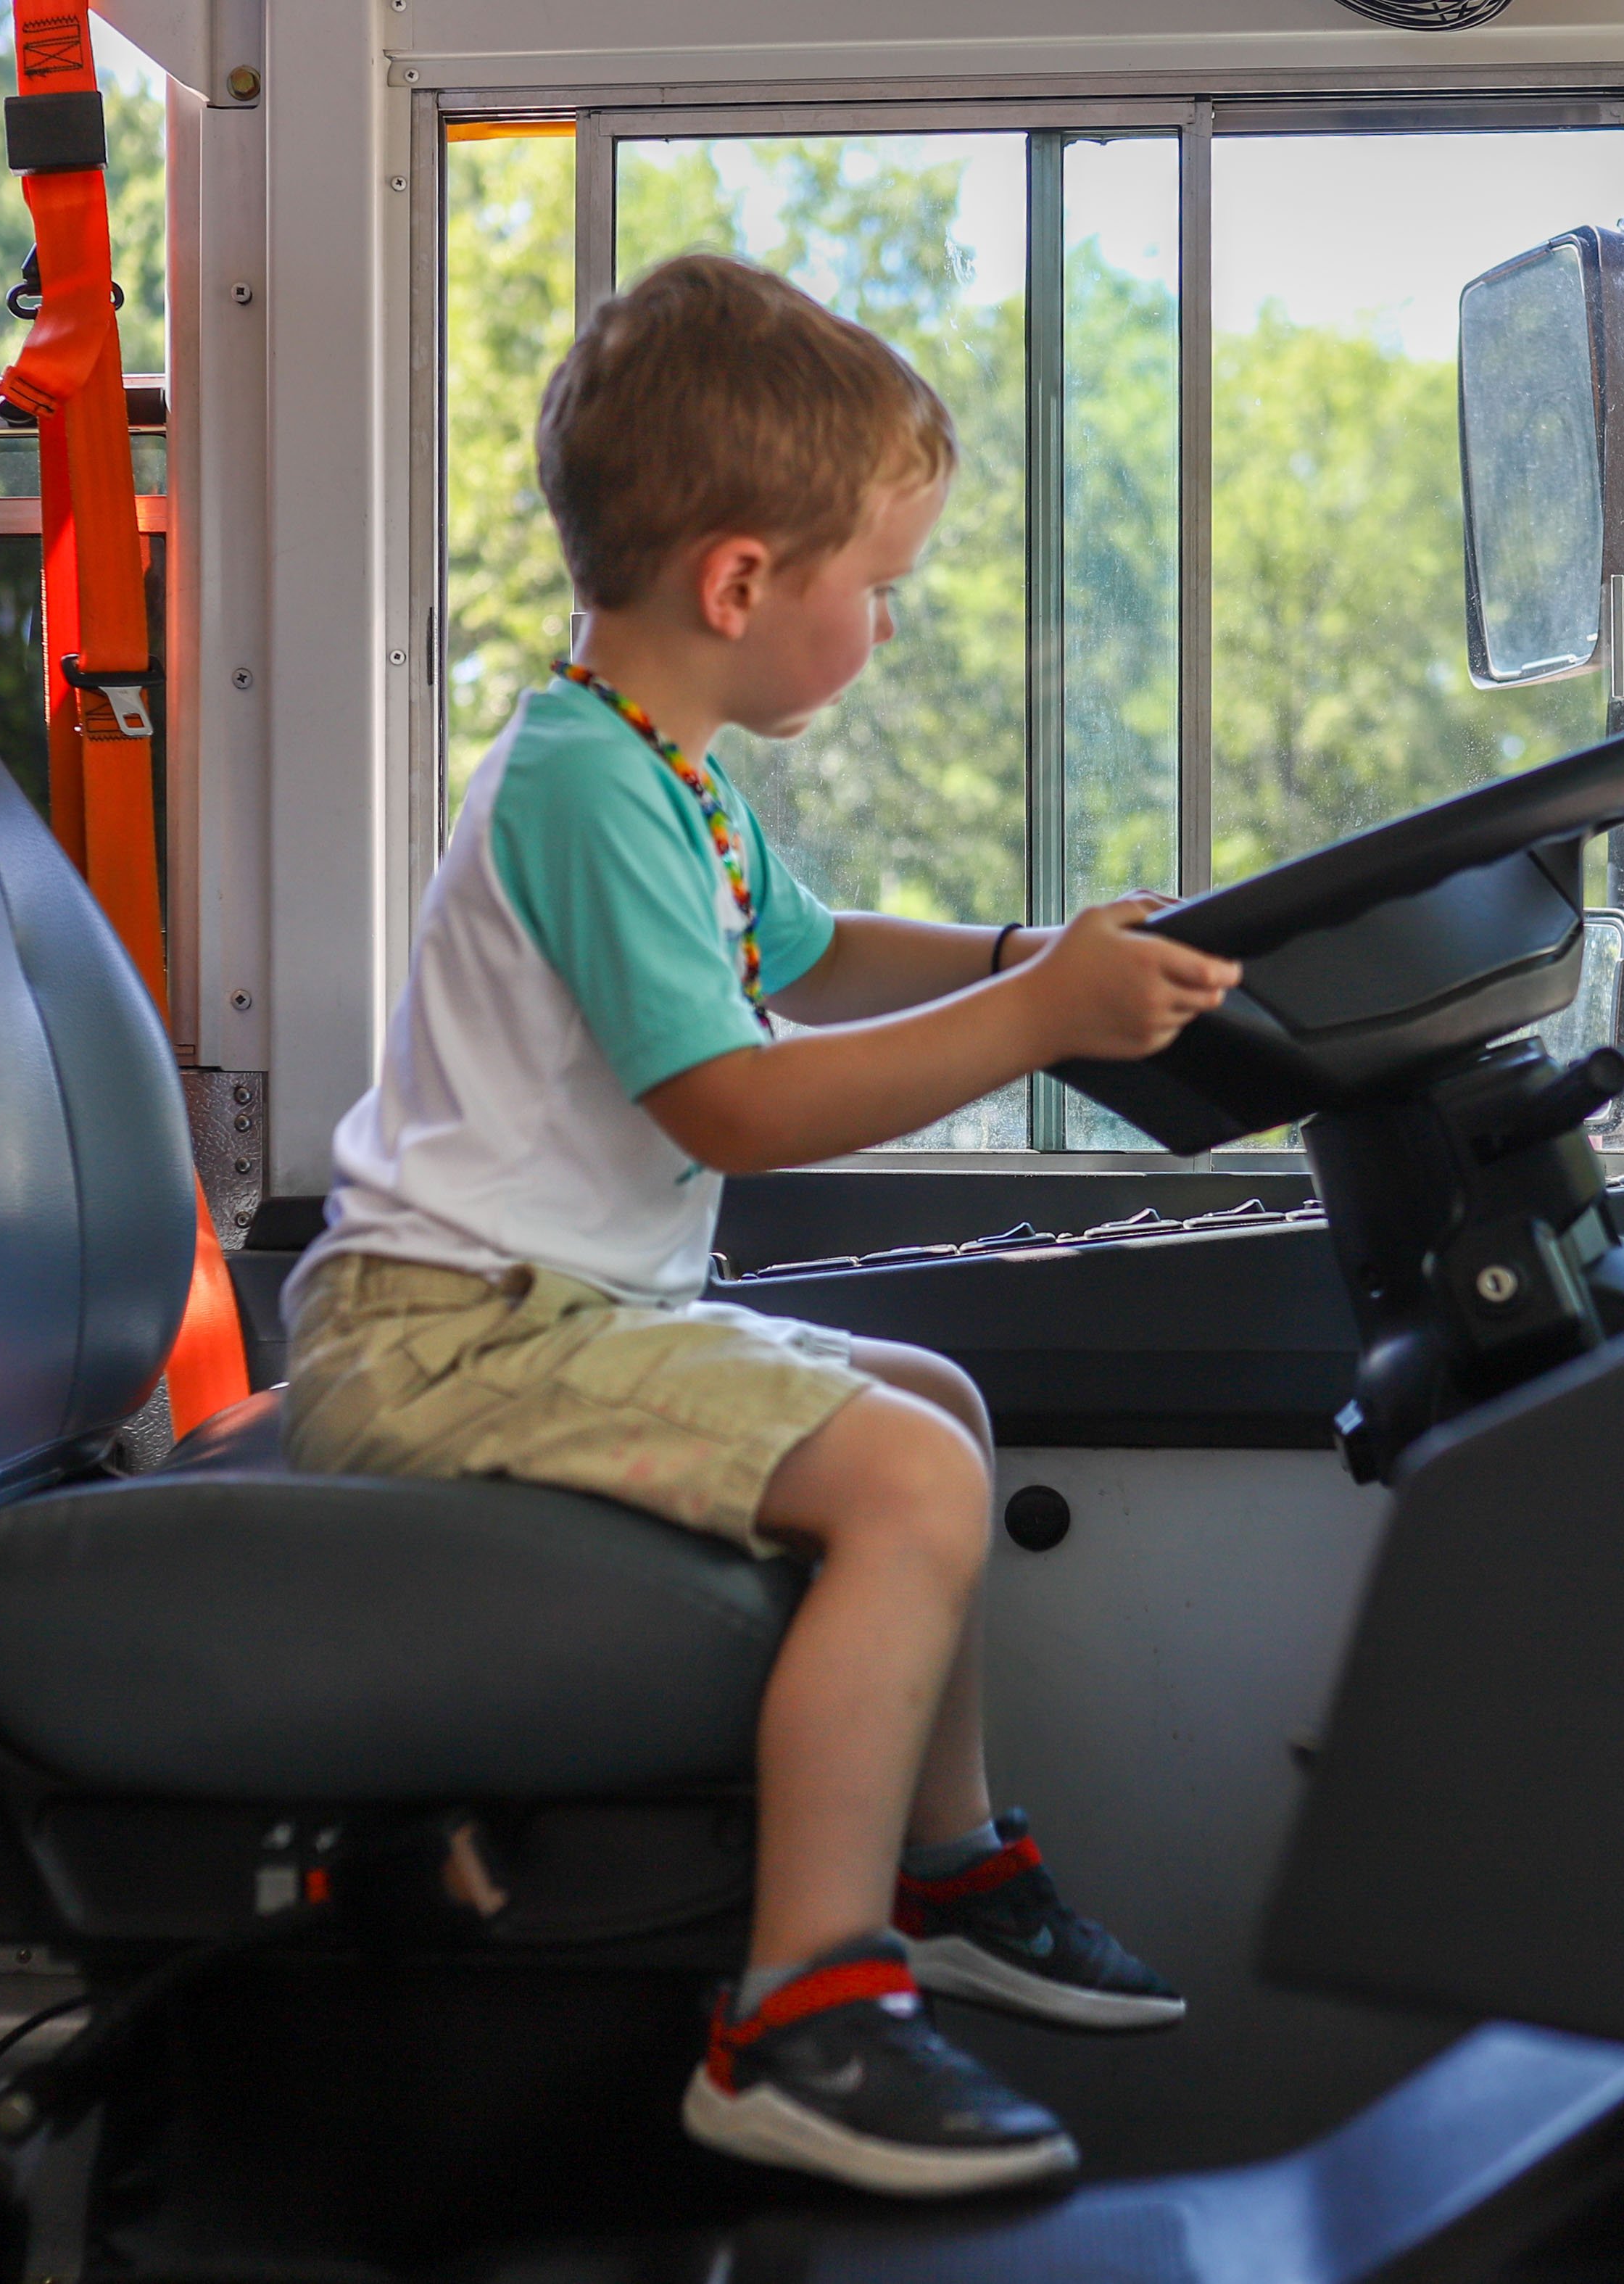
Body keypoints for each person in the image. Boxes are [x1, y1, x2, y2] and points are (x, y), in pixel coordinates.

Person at [280, 252, 1242, 2198]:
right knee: (901, 1482)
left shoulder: (667, 774)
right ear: (739, 584)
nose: (886, 627)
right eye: (876, 592)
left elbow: (800, 963)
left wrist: (1018, 956)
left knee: (932, 1407)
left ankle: (948, 1869)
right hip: (442, 1338)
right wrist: (1032, 1023)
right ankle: (800, 2014)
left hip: (542, 1315)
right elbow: (733, 1101)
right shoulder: (580, 783)